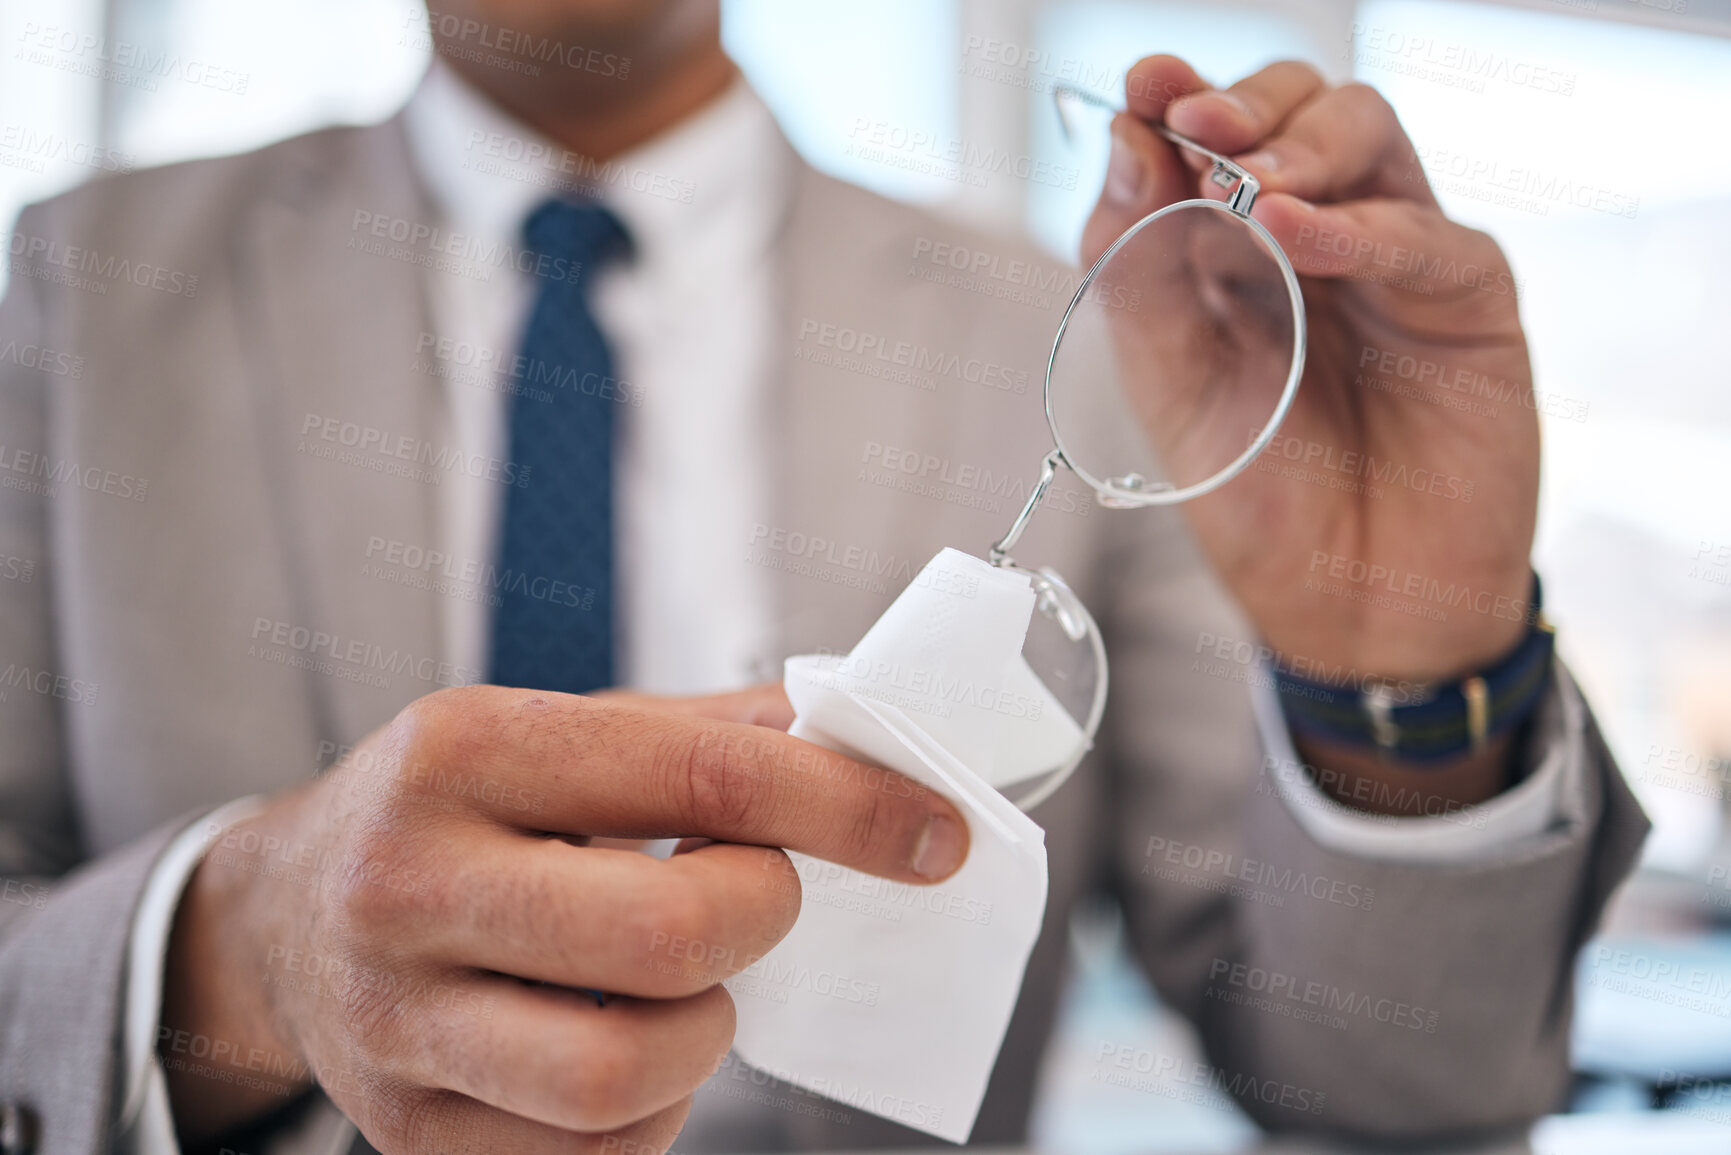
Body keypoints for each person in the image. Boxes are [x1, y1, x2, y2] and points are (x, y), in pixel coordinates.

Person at [0, 2, 1647, 1153]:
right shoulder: (86, 289)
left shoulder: (1087, 329)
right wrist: (234, 943)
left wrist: (1410, 679)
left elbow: (1394, 1089)